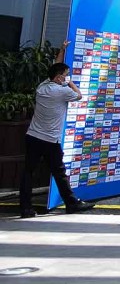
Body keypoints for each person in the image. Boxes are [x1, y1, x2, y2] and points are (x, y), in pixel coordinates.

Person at [20, 42, 96, 218]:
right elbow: (79, 95)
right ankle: (71, 203)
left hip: (32, 137)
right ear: (59, 78)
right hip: (50, 140)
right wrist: (71, 83)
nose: (66, 77)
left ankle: (25, 208)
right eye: (65, 75)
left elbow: (54, 69)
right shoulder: (62, 92)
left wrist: (62, 50)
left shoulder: (42, 87)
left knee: (28, 172)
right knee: (59, 172)